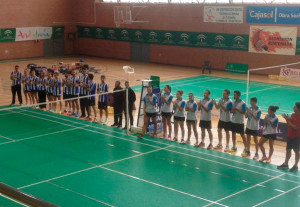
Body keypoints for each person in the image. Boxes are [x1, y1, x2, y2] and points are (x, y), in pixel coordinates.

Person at [278, 102, 300, 172]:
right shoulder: (293, 115)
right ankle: (286, 164)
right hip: (290, 136)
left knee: (296, 152)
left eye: (295, 107)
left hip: (296, 137)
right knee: (288, 150)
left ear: (298, 108)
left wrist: (288, 120)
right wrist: (287, 119)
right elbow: (289, 124)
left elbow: (295, 127)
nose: (293, 107)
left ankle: (295, 165)